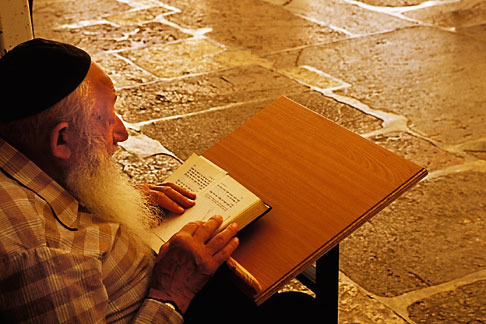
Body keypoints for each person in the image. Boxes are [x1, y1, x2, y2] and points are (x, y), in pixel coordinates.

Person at [0, 38, 318, 324]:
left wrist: (115, 203)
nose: (121, 133)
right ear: (61, 141)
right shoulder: (42, 258)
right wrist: (171, 293)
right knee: (299, 313)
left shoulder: (20, 158)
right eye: (107, 118)